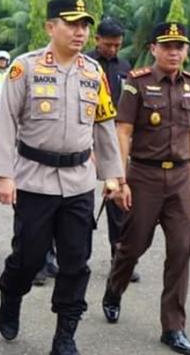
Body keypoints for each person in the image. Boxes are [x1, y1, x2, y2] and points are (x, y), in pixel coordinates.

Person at [0, 0, 123, 355]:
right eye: (72, 24)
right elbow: (6, 121)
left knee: (76, 261)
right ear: (51, 27)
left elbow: (104, 123)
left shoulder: (93, 72)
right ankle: (11, 291)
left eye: (85, 25)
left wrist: (114, 176)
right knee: (29, 258)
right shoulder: (25, 68)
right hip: (34, 179)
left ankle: (65, 334)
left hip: (79, 181)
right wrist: (4, 175)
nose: (80, 31)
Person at [101, 22, 190, 355]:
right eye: (167, 46)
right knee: (133, 245)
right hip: (144, 177)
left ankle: (173, 327)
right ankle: (114, 289)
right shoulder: (138, 83)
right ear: (154, 49)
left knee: (181, 250)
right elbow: (124, 131)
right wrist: (120, 178)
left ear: (186, 50)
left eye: (180, 46)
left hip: (181, 180)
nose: (174, 52)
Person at [85, 17, 140, 283]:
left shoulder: (125, 67)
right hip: (83, 135)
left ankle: (118, 258)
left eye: (117, 45)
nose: (113, 50)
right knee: (74, 197)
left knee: (118, 197)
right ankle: (54, 257)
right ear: (96, 40)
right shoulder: (84, 63)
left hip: (114, 137)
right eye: (108, 45)